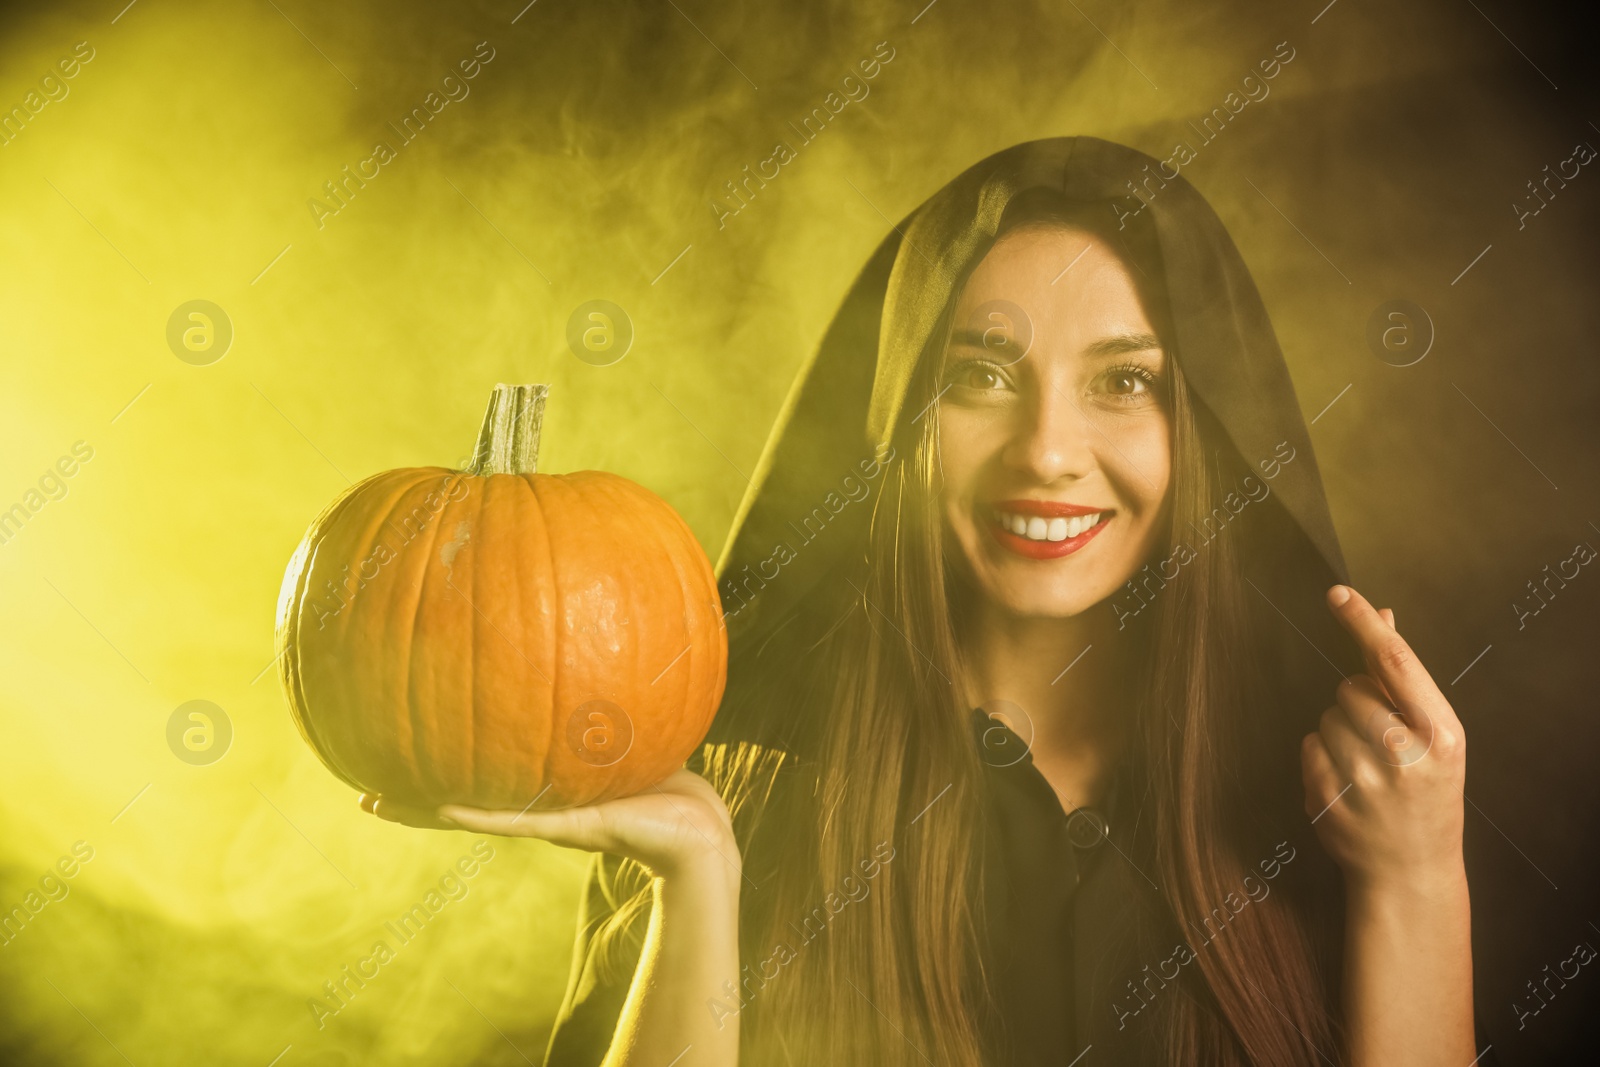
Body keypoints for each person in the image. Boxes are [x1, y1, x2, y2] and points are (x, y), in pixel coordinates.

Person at [364, 137, 1480, 1066]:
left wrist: (1420, 873)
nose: (1046, 449)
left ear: (1205, 439)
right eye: (979, 375)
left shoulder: (1335, 812)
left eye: (1123, 382)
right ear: (897, 424)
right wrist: (697, 873)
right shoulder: (740, 806)